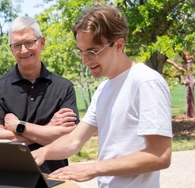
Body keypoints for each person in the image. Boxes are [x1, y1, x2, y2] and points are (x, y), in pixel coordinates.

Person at [32, 5, 172, 188]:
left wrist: (93, 168)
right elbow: (75, 139)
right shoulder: (104, 89)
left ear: (119, 45)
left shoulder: (146, 82)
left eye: (92, 51)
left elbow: (160, 155)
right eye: (81, 52)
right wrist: (43, 153)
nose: (84, 60)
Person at [0, 16, 79, 174]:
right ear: (11, 49)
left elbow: (69, 137)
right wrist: (48, 129)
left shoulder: (64, 87)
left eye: (29, 42)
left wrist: (18, 127)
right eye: (17, 45)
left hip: (55, 177)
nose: (24, 50)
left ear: (42, 42)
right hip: (9, 176)